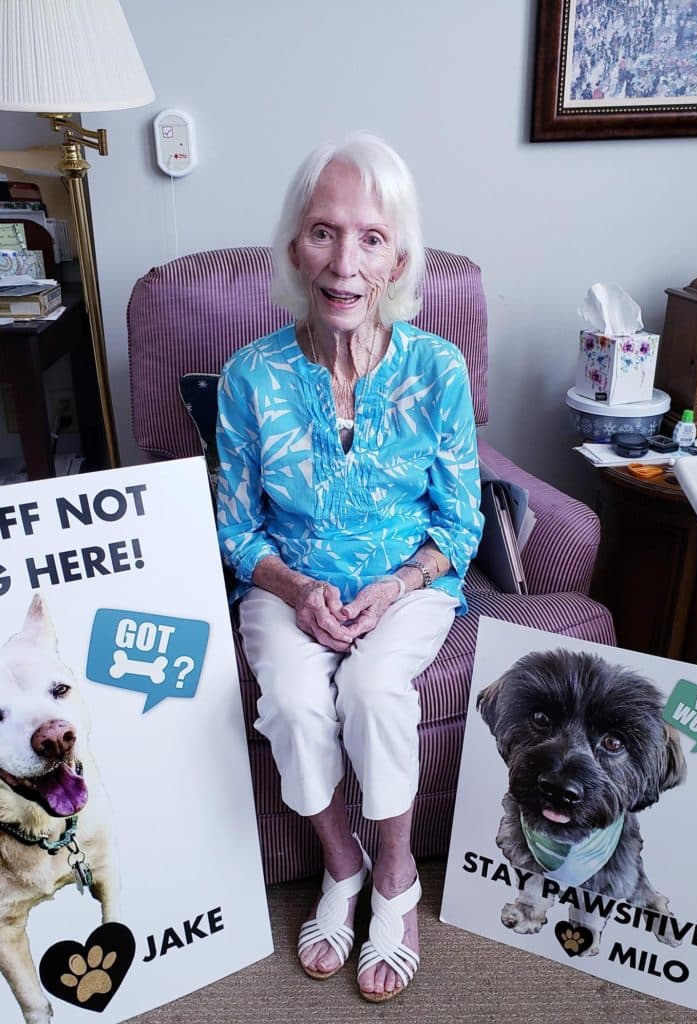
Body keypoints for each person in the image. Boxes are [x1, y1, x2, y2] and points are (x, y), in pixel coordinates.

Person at [215, 132, 483, 1002]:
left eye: (370, 238)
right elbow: (234, 528)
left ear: (399, 256)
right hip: (284, 585)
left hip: (405, 585)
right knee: (292, 701)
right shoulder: (249, 376)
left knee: (372, 691)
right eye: (323, 231)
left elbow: (461, 520)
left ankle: (395, 878)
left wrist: (398, 584)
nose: (344, 261)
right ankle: (341, 868)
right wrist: (294, 589)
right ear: (295, 246)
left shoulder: (435, 368)